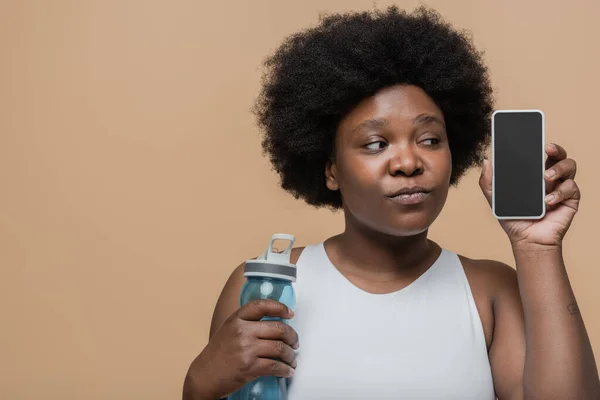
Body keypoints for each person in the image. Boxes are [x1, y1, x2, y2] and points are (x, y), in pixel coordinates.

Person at [183, 6, 600, 399]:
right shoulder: (267, 283)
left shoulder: (490, 291)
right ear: (330, 170)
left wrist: (537, 248)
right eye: (376, 143)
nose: (408, 162)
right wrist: (199, 385)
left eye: (430, 140)